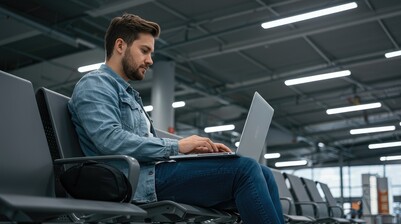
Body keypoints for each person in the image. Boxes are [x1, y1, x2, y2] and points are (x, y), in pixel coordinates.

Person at [68, 13, 284, 224]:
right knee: (245, 170)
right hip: (134, 181)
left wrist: (198, 152)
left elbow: (142, 147)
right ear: (120, 46)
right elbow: (110, 140)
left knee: (262, 172)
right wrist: (178, 146)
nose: (150, 60)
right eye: (144, 51)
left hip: (154, 173)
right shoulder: (95, 84)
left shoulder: (130, 95)